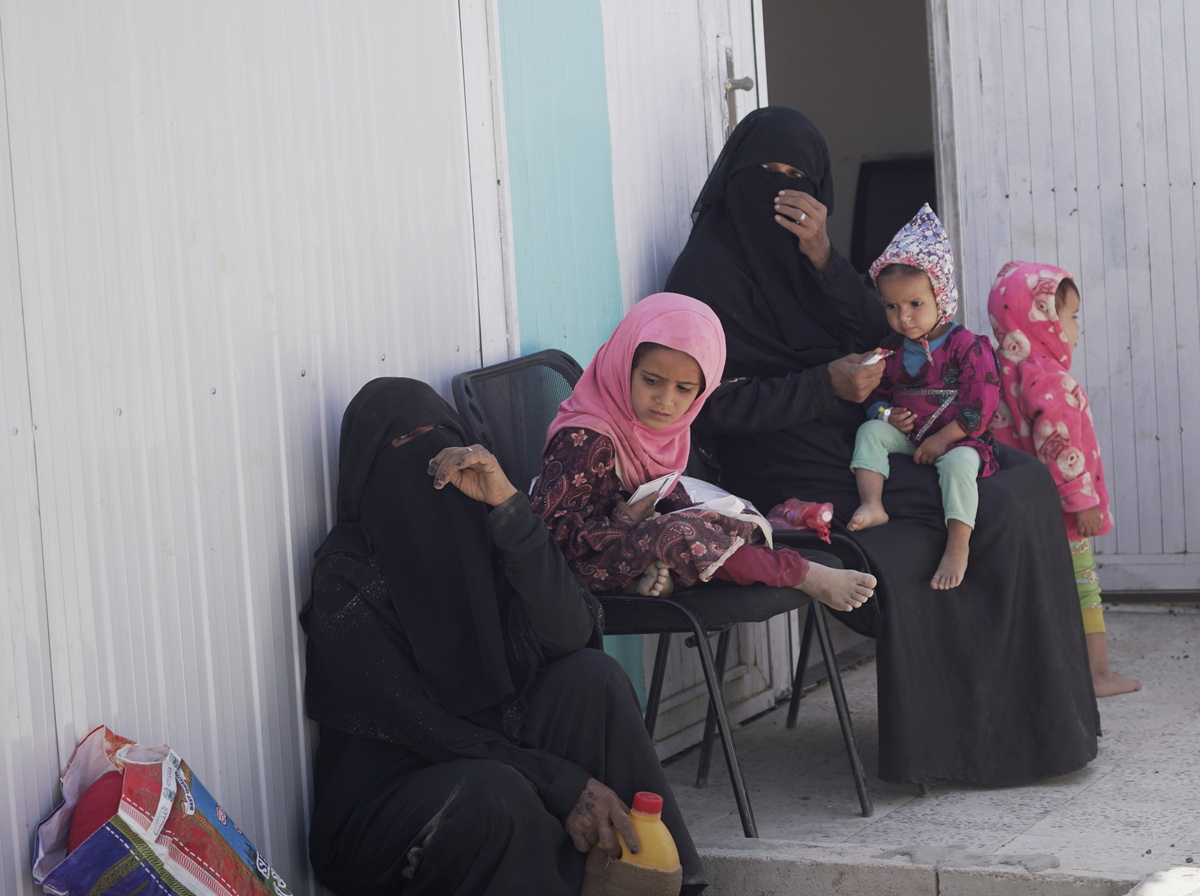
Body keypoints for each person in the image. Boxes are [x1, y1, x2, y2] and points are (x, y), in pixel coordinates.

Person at [664, 105, 1099, 787]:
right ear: (735, 178)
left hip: (865, 437)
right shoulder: (703, 276)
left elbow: (886, 330)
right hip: (784, 462)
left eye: (799, 178)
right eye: (766, 174)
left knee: (1022, 479)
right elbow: (710, 409)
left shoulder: (810, 260)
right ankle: (956, 742)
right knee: (985, 505)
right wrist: (822, 387)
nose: (782, 191)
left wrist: (822, 257)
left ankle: (1034, 726)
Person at [300, 377, 708, 895]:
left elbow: (572, 634)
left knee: (592, 677)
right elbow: (422, 729)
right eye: (404, 443)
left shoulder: (485, 537)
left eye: (441, 437)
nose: (429, 458)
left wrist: (512, 510)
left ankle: (662, 879)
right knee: (497, 791)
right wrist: (558, 781)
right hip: (387, 806)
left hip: (501, 745)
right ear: (368, 468)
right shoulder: (346, 576)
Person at [530, 292, 876, 613]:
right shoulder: (586, 439)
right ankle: (801, 574)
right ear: (624, 367)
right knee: (678, 532)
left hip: (630, 543)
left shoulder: (658, 431)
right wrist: (625, 523)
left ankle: (659, 574)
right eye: (651, 380)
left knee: (731, 518)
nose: (666, 401)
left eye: (684, 389)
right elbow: (548, 541)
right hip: (577, 573)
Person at [988, 261, 1142, 697]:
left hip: (1020, 510)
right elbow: (1058, 446)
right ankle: (1096, 674)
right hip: (1064, 514)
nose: (1076, 328)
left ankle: (1036, 674)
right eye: (1071, 317)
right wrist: (1082, 502)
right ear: (1043, 322)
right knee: (1083, 589)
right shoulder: (1048, 377)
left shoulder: (999, 370)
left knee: (1034, 591)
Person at [849, 204, 1002, 590]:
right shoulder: (891, 349)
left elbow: (980, 406)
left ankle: (958, 544)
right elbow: (874, 396)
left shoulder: (968, 347)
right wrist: (886, 415)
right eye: (892, 306)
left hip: (959, 440)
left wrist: (942, 440)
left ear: (942, 297)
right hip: (910, 436)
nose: (903, 317)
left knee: (959, 467)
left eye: (915, 304)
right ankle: (872, 503)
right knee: (869, 432)